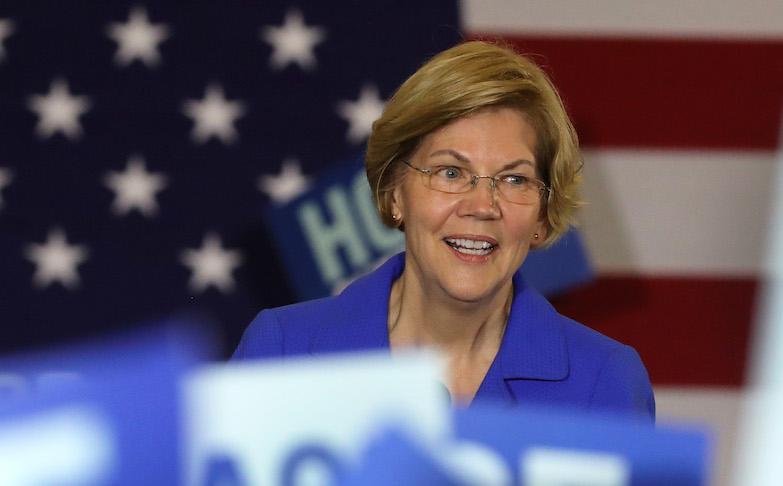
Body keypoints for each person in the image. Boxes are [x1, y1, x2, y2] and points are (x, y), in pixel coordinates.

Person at [233, 40, 655, 420]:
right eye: (451, 172)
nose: (482, 206)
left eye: (514, 180)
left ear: (542, 218)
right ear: (395, 192)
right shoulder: (282, 353)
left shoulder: (605, 384)